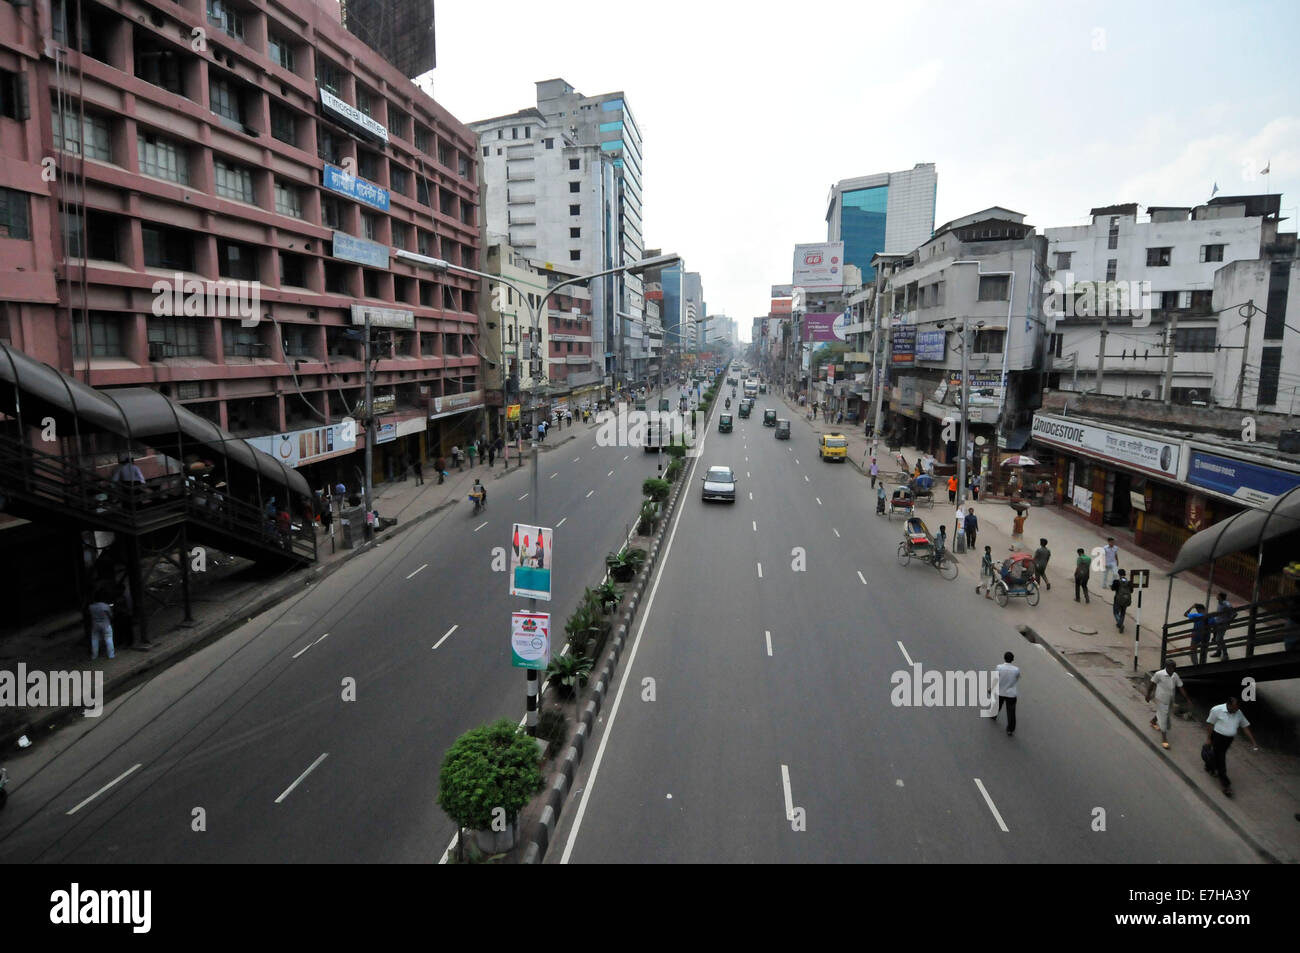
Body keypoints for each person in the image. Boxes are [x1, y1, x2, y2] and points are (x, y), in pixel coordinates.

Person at [1204, 697, 1260, 796]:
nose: (1235, 711)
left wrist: (1253, 741)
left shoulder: (1238, 712)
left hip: (1228, 740)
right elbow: (1210, 724)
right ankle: (1226, 785)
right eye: (1234, 708)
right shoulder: (1217, 710)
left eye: (1237, 708)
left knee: (1217, 755)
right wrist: (1209, 738)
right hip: (1217, 737)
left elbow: (1245, 727)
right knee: (1221, 759)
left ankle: (1209, 765)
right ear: (1228, 705)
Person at [1146, 661, 1192, 749]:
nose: (1172, 670)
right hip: (1160, 699)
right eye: (1170, 668)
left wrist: (1187, 698)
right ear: (1166, 667)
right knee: (1164, 717)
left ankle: (1153, 721)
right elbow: (1152, 684)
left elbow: (1180, 687)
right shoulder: (1159, 674)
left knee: (1164, 713)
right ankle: (1164, 739)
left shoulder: (1175, 676)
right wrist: (1148, 695)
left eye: (1173, 668)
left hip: (1170, 699)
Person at [993, 651, 1019, 736]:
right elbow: (1017, 678)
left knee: (997, 704)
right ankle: (1010, 729)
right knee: (1011, 712)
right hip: (1011, 694)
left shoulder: (999, 667)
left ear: (1004, 658)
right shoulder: (1016, 670)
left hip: (1000, 691)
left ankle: (993, 715)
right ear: (1013, 660)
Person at [88, 592, 115, 660]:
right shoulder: (105, 606)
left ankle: (94, 655)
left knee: (94, 640)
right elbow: (111, 615)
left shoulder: (90, 607)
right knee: (108, 639)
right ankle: (111, 655)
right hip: (105, 624)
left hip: (95, 625)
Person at [1212, 592, 1235, 659]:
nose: (1216, 596)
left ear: (1220, 597)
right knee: (1218, 638)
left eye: (1217, 595)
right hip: (1217, 623)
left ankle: (1225, 654)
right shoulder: (1220, 602)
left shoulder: (1226, 603)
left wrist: (1228, 622)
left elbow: (1234, 613)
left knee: (1218, 639)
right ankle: (1218, 652)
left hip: (1222, 624)